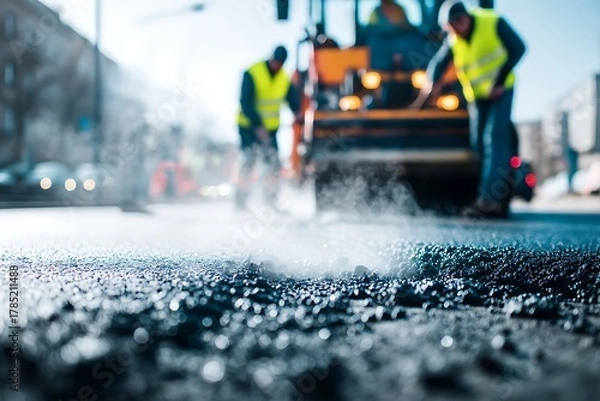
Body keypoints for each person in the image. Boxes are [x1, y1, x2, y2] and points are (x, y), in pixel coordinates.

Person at [413, 0, 526, 218]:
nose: (454, 32)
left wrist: (500, 81)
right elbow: (438, 64)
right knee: (478, 145)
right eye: (450, 30)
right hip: (477, 97)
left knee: (495, 137)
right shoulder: (454, 38)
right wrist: (424, 97)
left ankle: (489, 201)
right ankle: (493, 190)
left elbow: (519, 48)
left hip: (500, 92)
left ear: (463, 18)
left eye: (456, 26)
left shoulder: (493, 22)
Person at [235, 45, 301, 211]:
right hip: (248, 127)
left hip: (270, 131)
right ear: (271, 58)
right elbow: (245, 102)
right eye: (275, 61)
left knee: (273, 164)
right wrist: (257, 126)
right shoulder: (252, 73)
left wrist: (298, 112)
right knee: (249, 161)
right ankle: (240, 202)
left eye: (280, 63)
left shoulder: (284, 79)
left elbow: (292, 100)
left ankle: (270, 201)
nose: (277, 65)